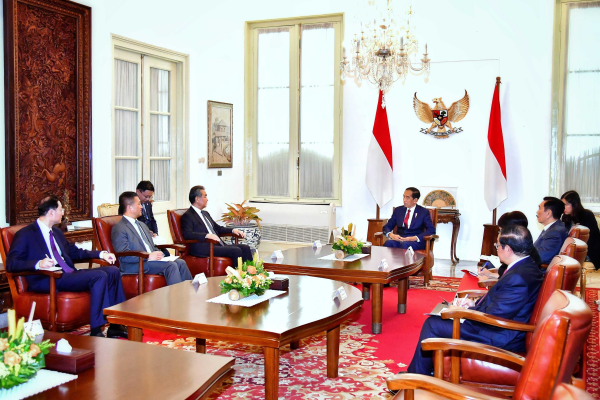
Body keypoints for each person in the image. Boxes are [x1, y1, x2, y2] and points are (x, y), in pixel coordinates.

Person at [406, 224, 543, 376]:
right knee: (439, 319)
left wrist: (464, 312)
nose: (496, 249)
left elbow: (495, 316)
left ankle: (416, 377)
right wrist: (473, 304)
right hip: (498, 327)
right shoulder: (526, 266)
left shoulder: (518, 278)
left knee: (433, 324)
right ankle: (428, 370)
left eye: (497, 245)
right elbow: (502, 305)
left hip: (498, 335)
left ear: (508, 249)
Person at [6, 195, 127, 338]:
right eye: (61, 209)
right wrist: (38, 264)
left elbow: (75, 252)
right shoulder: (25, 234)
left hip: (67, 274)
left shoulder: (56, 232)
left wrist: (101, 254)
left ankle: (116, 325)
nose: (63, 212)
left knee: (113, 271)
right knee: (99, 276)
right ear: (51, 212)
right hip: (48, 278)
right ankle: (96, 330)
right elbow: (11, 263)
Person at [111, 191, 192, 285]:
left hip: (150, 261)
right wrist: (148, 256)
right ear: (129, 207)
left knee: (181, 262)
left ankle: (189, 292)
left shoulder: (142, 225)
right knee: (171, 266)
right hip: (134, 265)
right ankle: (176, 294)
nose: (142, 207)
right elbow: (124, 255)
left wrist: (159, 253)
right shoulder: (119, 227)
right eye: (139, 204)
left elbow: (151, 246)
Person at [181, 185, 252, 262]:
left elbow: (218, 228)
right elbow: (187, 234)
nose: (207, 199)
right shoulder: (188, 215)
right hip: (203, 247)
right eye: (205, 196)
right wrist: (206, 235)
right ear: (197, 199)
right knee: (236, 250)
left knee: (245, 248)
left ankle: (250, 269)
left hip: (216, 245)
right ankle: (237, 270)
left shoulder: (205, 213)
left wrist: (233, 230)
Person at [478, 211, 542, 279]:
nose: (499, 234)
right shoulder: (524, 249)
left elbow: (511, 278)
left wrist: (485, 281)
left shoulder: (520, 255)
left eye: (501, 230)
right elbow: (506, 274)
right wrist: (490, 274)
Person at [561, 190, 600, 270]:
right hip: (572, 250)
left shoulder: (587, 215)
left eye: (566, 204)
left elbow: (592, 238)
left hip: (589, 251)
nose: (563, 207)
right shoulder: (565, 217)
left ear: (574, 204)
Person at [136, 180, 169, 257]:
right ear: (138, 192)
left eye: (150, 197)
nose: (148, 199)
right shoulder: (131, 206)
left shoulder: (148, 204)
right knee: (161, 255)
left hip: (152, 238)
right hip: (142, 240)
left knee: (166, 254)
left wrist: (155, 233)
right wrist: (146, 232)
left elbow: (152, 220)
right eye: (146, 196)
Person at [535, 196, 568, 264]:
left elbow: (540, 257)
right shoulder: (554, 228)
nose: (537, 212)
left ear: (548, 213)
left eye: (539, 208)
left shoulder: (554, 233)